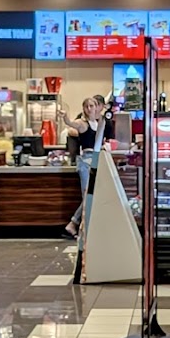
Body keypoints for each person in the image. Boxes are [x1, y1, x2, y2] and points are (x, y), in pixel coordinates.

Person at [59, 97, 115, 239]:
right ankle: (78, 226)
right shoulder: (82, 124)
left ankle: (76, 225)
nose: (90, 109)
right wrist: (65, 117)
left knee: (92, 195)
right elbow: (70, 123)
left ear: (97, 107)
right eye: (87, 106)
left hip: (97, 161)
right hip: (85, 161)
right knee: (88, 196)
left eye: (92, 106)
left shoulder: (101, 123)